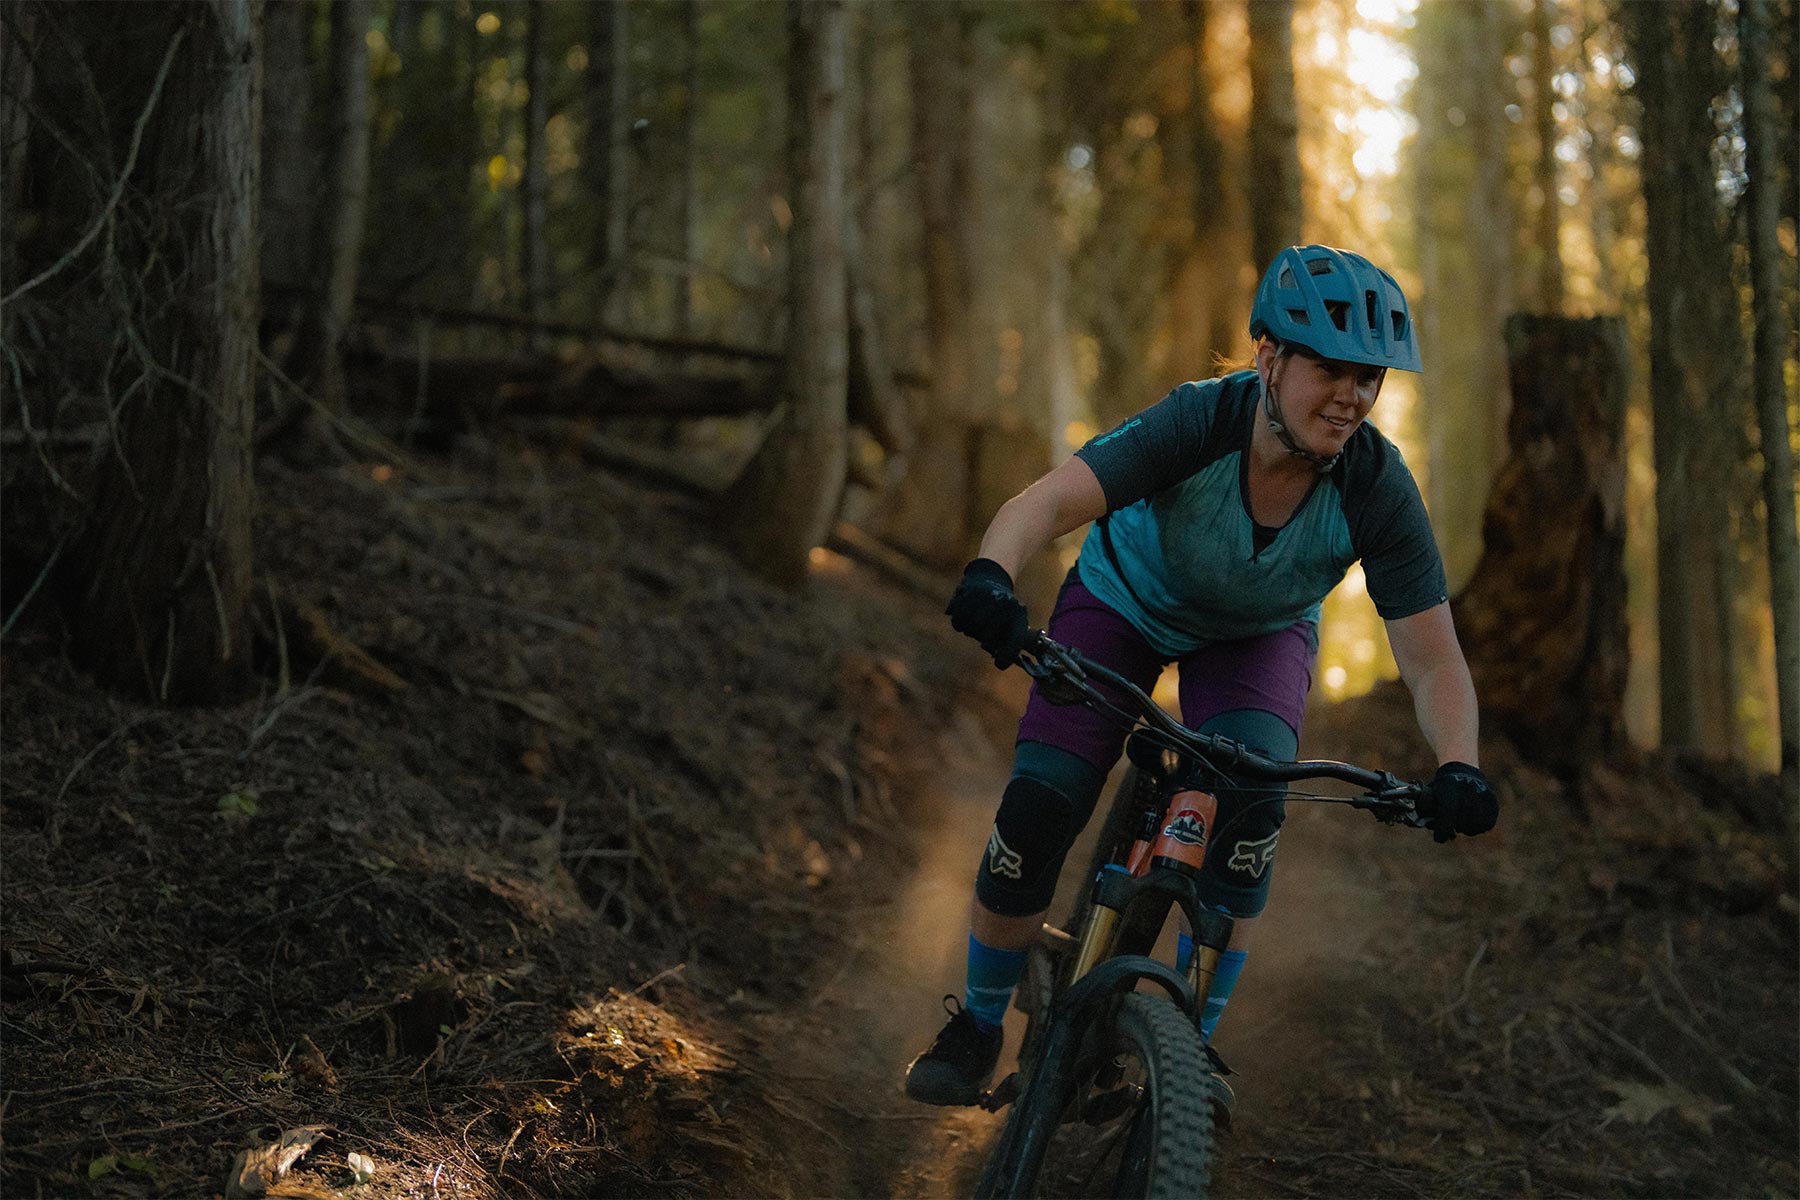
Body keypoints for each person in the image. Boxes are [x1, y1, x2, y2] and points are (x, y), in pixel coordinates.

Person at [902, 245, 1499, 1113]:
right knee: (1042, 800)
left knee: (1253, 806)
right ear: (1268, 357)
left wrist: (1459, 764)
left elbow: (1432, 654)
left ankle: (1187, 1044)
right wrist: (992, 575)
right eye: (1332, 369)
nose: (1354, 395)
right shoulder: (1199, 423)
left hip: (1253, 638)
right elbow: (1048, 502)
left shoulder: (1375, 483)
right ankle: (981, 1022)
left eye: (1370, 377)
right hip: (1125, 601)